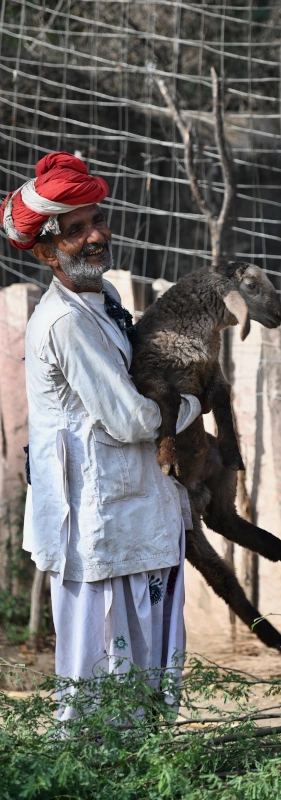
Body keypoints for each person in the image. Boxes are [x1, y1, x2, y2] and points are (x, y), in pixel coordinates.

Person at [0, 152, 201, 717]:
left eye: (96, 221)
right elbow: (134, 419)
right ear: (45, 251)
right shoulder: (64, 322)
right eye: (76, 229)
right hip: (101, 530)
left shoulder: (103, 301)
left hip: (135, 516)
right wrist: (193, 404)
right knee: (103, 699)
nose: (96, 236)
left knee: (146, 687)